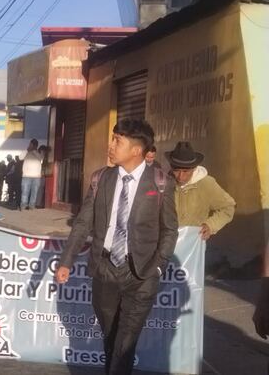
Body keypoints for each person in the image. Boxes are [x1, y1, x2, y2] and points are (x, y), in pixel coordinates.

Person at [55, 118, 178, 375]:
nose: (111, 145)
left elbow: (169, 229)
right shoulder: (101, 179)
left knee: (126, 339)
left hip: (142, 274)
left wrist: (158, 267)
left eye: (117, 141)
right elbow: (82, 223)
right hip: (105, 269)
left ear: (136, 149)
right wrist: (66, 260)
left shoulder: (161, 182)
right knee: (111, 336)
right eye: (113, 139)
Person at [166, 141, 235, 241]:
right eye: (176, 170)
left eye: (186, 171)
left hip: (193, 243)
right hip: (166, 243)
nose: (181, 176)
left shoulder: (207, 184)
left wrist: (210, 225)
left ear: (194, 168)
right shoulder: (164, 183)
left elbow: (228, 207)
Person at [20, 139, 43, 210]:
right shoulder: (26, 152)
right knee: (25, 191)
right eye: (30, 144)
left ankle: (31, 206)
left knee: (34, 192)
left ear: (35, 146)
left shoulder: (39, 153)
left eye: (32, 145)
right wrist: (27, 150)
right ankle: (23, 206)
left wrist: (33, 151)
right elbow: (20, 158)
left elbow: (41, 159)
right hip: (26, 176)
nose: (30, 146)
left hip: (36, 176)